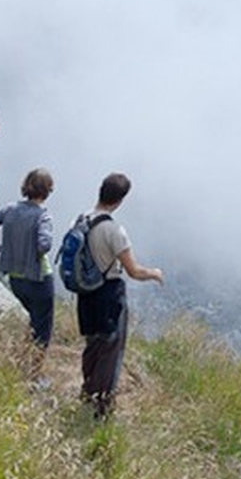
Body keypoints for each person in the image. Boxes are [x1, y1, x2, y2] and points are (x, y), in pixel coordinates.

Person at [74, 172, 164, 418]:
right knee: (111, 349)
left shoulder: (82, 219)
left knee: (92, 343)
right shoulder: (114, 231)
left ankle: (87, 389)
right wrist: (154, 273)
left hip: (85, 291)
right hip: (108, 294)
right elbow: (134, 271)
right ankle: (101, 405)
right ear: (120, 200)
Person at [0, 168, 56, 350]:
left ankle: (23, 360)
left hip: (15, 279)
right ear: (48, 190)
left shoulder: (9, 209)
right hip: (39, 278)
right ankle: (35, 374)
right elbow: (45, 245)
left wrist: (2, 248)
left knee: (35, 320)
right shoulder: (43, 216)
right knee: (43, 328)